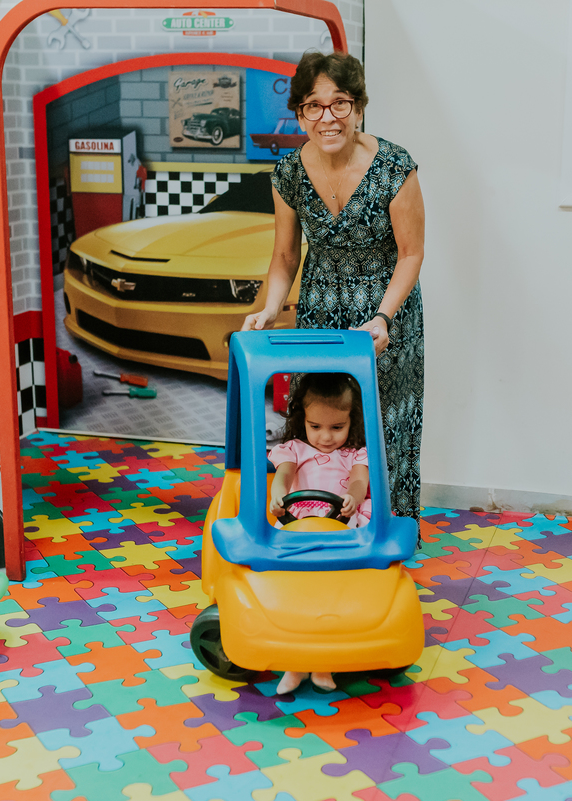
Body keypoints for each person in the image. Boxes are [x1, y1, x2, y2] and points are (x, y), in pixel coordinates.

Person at [241, 50, 425, 521]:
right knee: (319, 423)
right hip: (320, 313)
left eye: (340, 103)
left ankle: (386, 535)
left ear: (359, 107)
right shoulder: (289, 174)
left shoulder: (393, 166)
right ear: (300, 114)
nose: (328, 117)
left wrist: (383, 317)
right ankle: (313, 522)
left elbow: (411, 253)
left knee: (381, 426)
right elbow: (284, 257)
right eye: (314, 106)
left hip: (385, 315)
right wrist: (268, 309)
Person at [268, 372, 370, 695]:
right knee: (296, 595)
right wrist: (277, 494)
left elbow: (358, 480)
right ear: (303, 420)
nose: (325, 437)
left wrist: (354, 496)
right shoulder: (295, 450)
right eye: (316, 427)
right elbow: (283, 476)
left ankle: (323, 662)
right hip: (297, 529)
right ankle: (295, 663)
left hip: (339, 528)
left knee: (331, 596)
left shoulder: (355, 454)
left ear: (352, 422)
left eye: (337, 428)